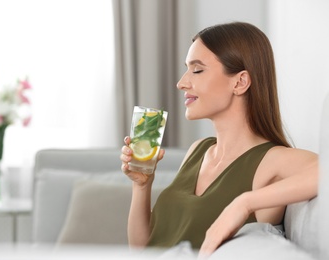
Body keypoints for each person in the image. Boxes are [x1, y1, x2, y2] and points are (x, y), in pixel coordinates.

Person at [119, 21, 318, 257]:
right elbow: (142, 249)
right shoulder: (198, 151)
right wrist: (142, 186)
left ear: (240, 82)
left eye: (197, 69)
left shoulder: (271, 160)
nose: (181, 82)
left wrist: (244, 204)